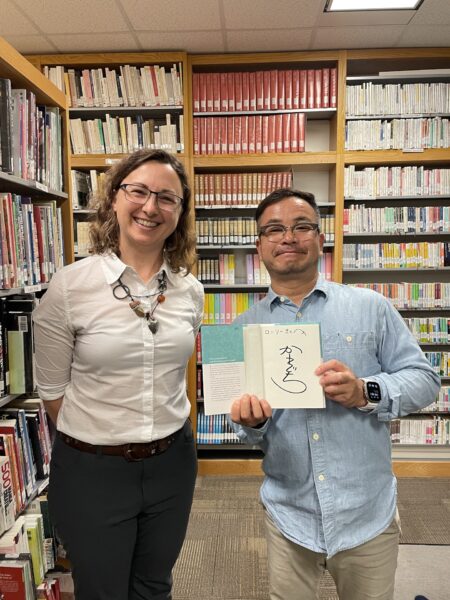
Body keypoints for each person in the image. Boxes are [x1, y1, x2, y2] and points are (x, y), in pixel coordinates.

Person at [230, 188, 440, 600]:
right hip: (289, 512)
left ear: (320, 239)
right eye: (274, 229)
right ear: (259, 246)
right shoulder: (241, 329)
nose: (288, 237)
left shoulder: (371, 307)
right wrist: (252, 422)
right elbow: (246, 433)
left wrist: (366, 390)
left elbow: (425, 380)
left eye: (301, 226)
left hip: (365, 510)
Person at [33, 149, 204, 600]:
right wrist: (105, 435)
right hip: (94, 471)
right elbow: (53, 392)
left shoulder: (189, 289)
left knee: (154, 586)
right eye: (139, 191)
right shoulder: (70, 287)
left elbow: (175, 373)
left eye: (167, 198)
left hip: (173, 463)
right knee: (103, 591)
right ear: (114, 199)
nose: (151, 207)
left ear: (180, 213)